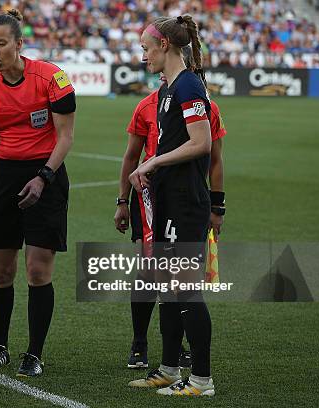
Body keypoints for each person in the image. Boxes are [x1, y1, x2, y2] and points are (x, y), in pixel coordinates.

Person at [0, 9, 76, 377]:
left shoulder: (51, 77)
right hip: (3, 175)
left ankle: (34, 353)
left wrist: (43, 177)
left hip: (48, 171)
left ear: (19, 44)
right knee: (1, 272)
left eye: (1, 43)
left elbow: (65, 137)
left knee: (38, 270)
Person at [115, 50, 226, 370]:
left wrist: (217, 205)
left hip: (184, 199)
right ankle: (139, 343)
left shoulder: (206, 107)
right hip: (148, 199)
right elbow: (130, 157)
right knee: (150, 272)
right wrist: (122, 201)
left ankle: (176, 352)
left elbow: (216, 159)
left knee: (178, 280)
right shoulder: (146, 105)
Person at [127, 15, 216, 396]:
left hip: (186, 204)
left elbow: (202, 143)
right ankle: (166, 368)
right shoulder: (168, 88)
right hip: (167, 201)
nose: (142, 55)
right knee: (167, 287)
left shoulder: (189, 86)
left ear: (164, 44)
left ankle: (201, 380)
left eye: (146, 48)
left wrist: (153, 162)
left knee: (186, 291)